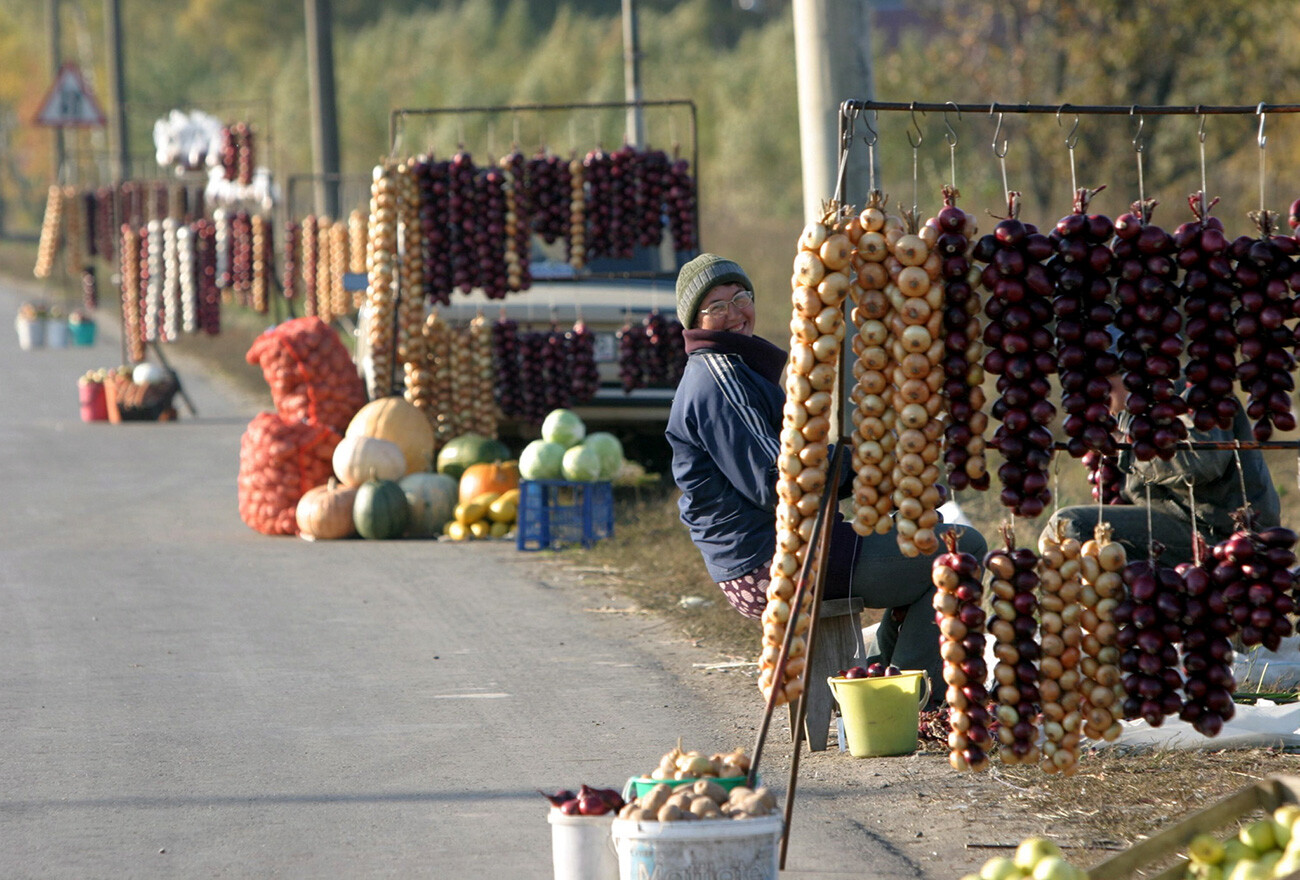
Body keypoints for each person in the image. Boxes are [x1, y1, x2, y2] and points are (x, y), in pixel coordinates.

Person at [665, 253, 987, 695]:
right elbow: (779, 479)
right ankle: (910, 699)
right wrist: (873, 468)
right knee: (960, 551)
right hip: (773, 561)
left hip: (783, 547)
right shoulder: (718, 378)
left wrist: (882, 471)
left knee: (930, 543)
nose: (735, 313)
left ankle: (877, 686)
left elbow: (798, 460)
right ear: (694, 321)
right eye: (717, 306)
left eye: (741, 297)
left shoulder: (732, 368)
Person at [1042, 371, 1281, 566]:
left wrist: (1125, 447)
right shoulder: (1128, 416)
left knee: (1071, 524)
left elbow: (1200, 464)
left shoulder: (1192, 393)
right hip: (1182, 526)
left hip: (1224, 533)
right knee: (1100, 542)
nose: (1092, 397)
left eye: (1099, 385)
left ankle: (1079, 618)